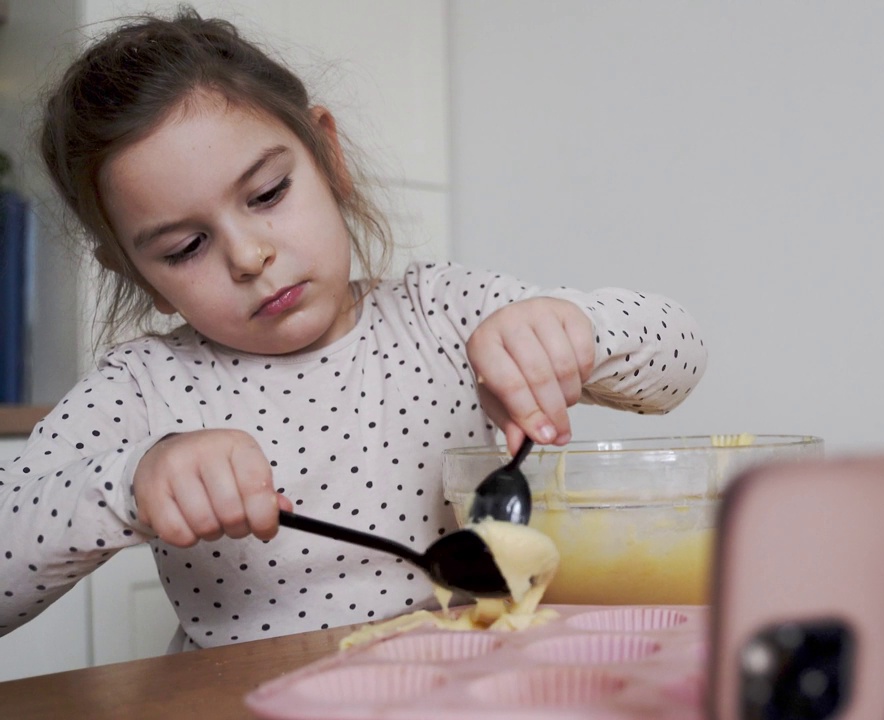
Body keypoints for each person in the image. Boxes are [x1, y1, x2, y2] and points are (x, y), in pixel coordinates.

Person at [0, 9, 705, 651]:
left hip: (457, 690)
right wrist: (129, 485)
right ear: (134, 271)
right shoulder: (145, 388)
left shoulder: (443, 311)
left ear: (328, 158)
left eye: (269, 194)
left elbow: (681, 357)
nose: (249, 258)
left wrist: (573, 329)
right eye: (185, 248)